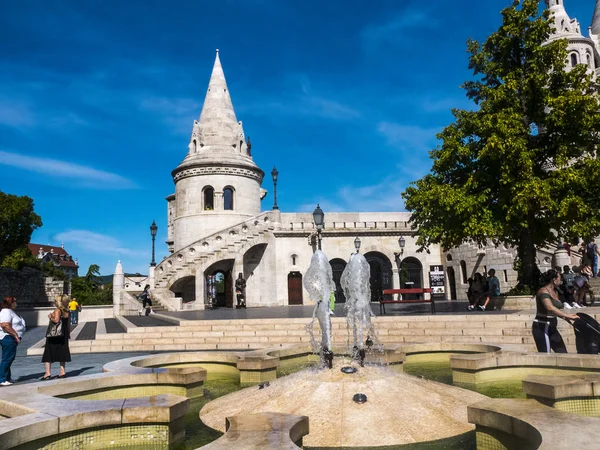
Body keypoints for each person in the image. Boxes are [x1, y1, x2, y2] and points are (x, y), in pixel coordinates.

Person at [532, 270, 578, 353]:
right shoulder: (543, 291)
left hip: (552, 326)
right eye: (559, 278)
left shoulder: (555, 291)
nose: (561, 280)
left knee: (562, 353)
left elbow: (553, 311)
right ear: (554, 280)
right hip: (542, 326)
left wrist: (564, 317)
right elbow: (549, 307)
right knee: (546, 354)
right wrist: (567, 315)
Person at [41, 294, 71, 380]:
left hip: (54, 334)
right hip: (64, 333)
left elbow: (56, 320)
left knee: (48, 352)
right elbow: (68, 323)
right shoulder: (67, 311)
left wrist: (51, 317)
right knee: (62, 351)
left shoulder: (57, 310)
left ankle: (47, 373)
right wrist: (68, 333)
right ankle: (62, 371)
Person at [0, 297, 26, 386]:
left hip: (11, 338)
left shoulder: (10, 311)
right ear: (11, 303)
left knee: (9, 358)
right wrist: (15, 335)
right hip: (8, 337)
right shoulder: (6, 311)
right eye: (15, 301)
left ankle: (7, 377)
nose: (16, 303)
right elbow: (5, 325)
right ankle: (2, 379)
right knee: (7, 358)